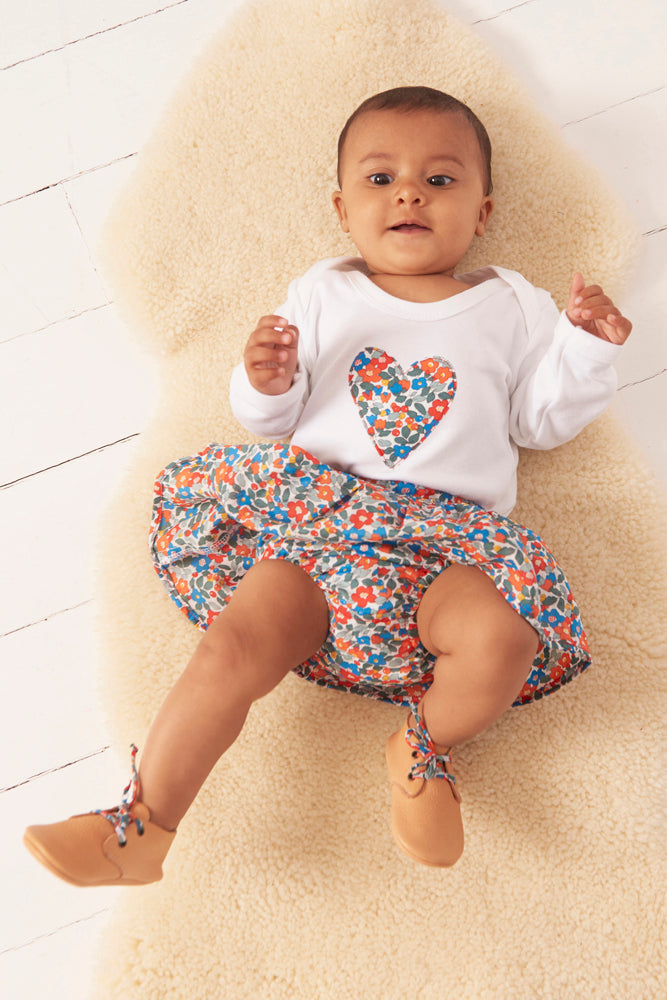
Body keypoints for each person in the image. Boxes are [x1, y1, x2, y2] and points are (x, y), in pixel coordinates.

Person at [23, 86, 632, 883]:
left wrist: (584, 350)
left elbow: (538, 422)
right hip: (319, 524)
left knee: (506, 639)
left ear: (482, 213)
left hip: (440, 545)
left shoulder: (510, 303)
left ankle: (421, 746)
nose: (409, 192)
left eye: (440, 181)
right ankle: (139, 829)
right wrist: (264, 380)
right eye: (381, 180)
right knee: (231, 646)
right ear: (342, 208)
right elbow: (268, 423)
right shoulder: (323, 291)